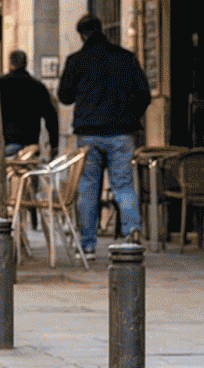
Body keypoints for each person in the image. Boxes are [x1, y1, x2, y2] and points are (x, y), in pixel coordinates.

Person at [57, 13, 151, 258]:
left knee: (88, 188)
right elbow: (144, 95)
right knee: (123, 185)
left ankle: (87, 246)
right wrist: (129, 115)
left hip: (88, 133)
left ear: (82, 34)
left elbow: (64, 96)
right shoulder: (125, 58)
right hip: (121, 133)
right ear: (102, 30)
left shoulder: (77, 60)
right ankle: (132, 234)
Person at [0, 50, 59, 157]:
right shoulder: (38, 86)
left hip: (6, 143)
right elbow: (51, 117)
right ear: (26, 63)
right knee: (29, 173)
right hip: (30, 145)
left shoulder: (0, 84)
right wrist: (54, 145)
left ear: (10, 63)